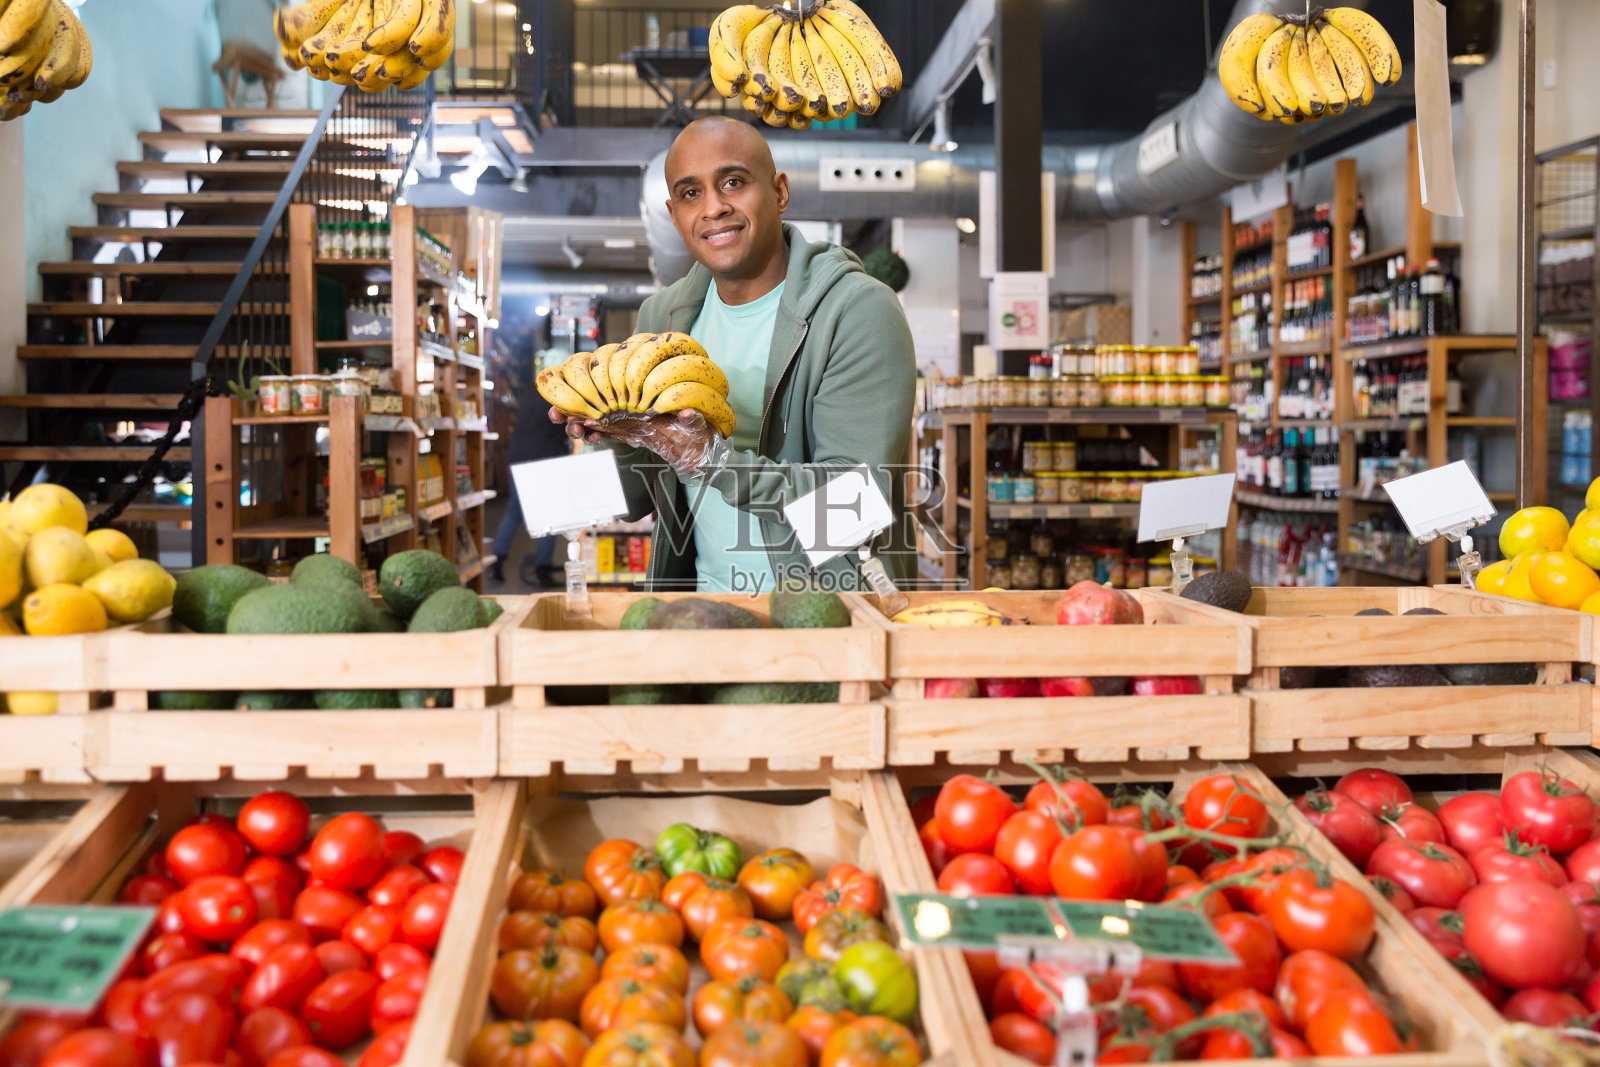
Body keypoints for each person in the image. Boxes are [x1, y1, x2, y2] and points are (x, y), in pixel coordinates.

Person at [552, 117, 916, 592]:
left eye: (732, 183)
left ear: (779, 191)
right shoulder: (663, 319)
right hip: (702, 615)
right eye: (690, 194)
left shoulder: (857, 311)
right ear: (673, 213)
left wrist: (713, 462)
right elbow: (637, 495)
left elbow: (855, 514)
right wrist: (611, 437)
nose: (714, 208)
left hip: (826, 618)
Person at [491, 349, 570, 585]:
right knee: (549, 514)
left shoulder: (530, 392)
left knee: (514, 509)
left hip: (517, 456)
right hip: (544, 459)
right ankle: (543, 569)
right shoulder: (560, 395)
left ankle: (496, 561)